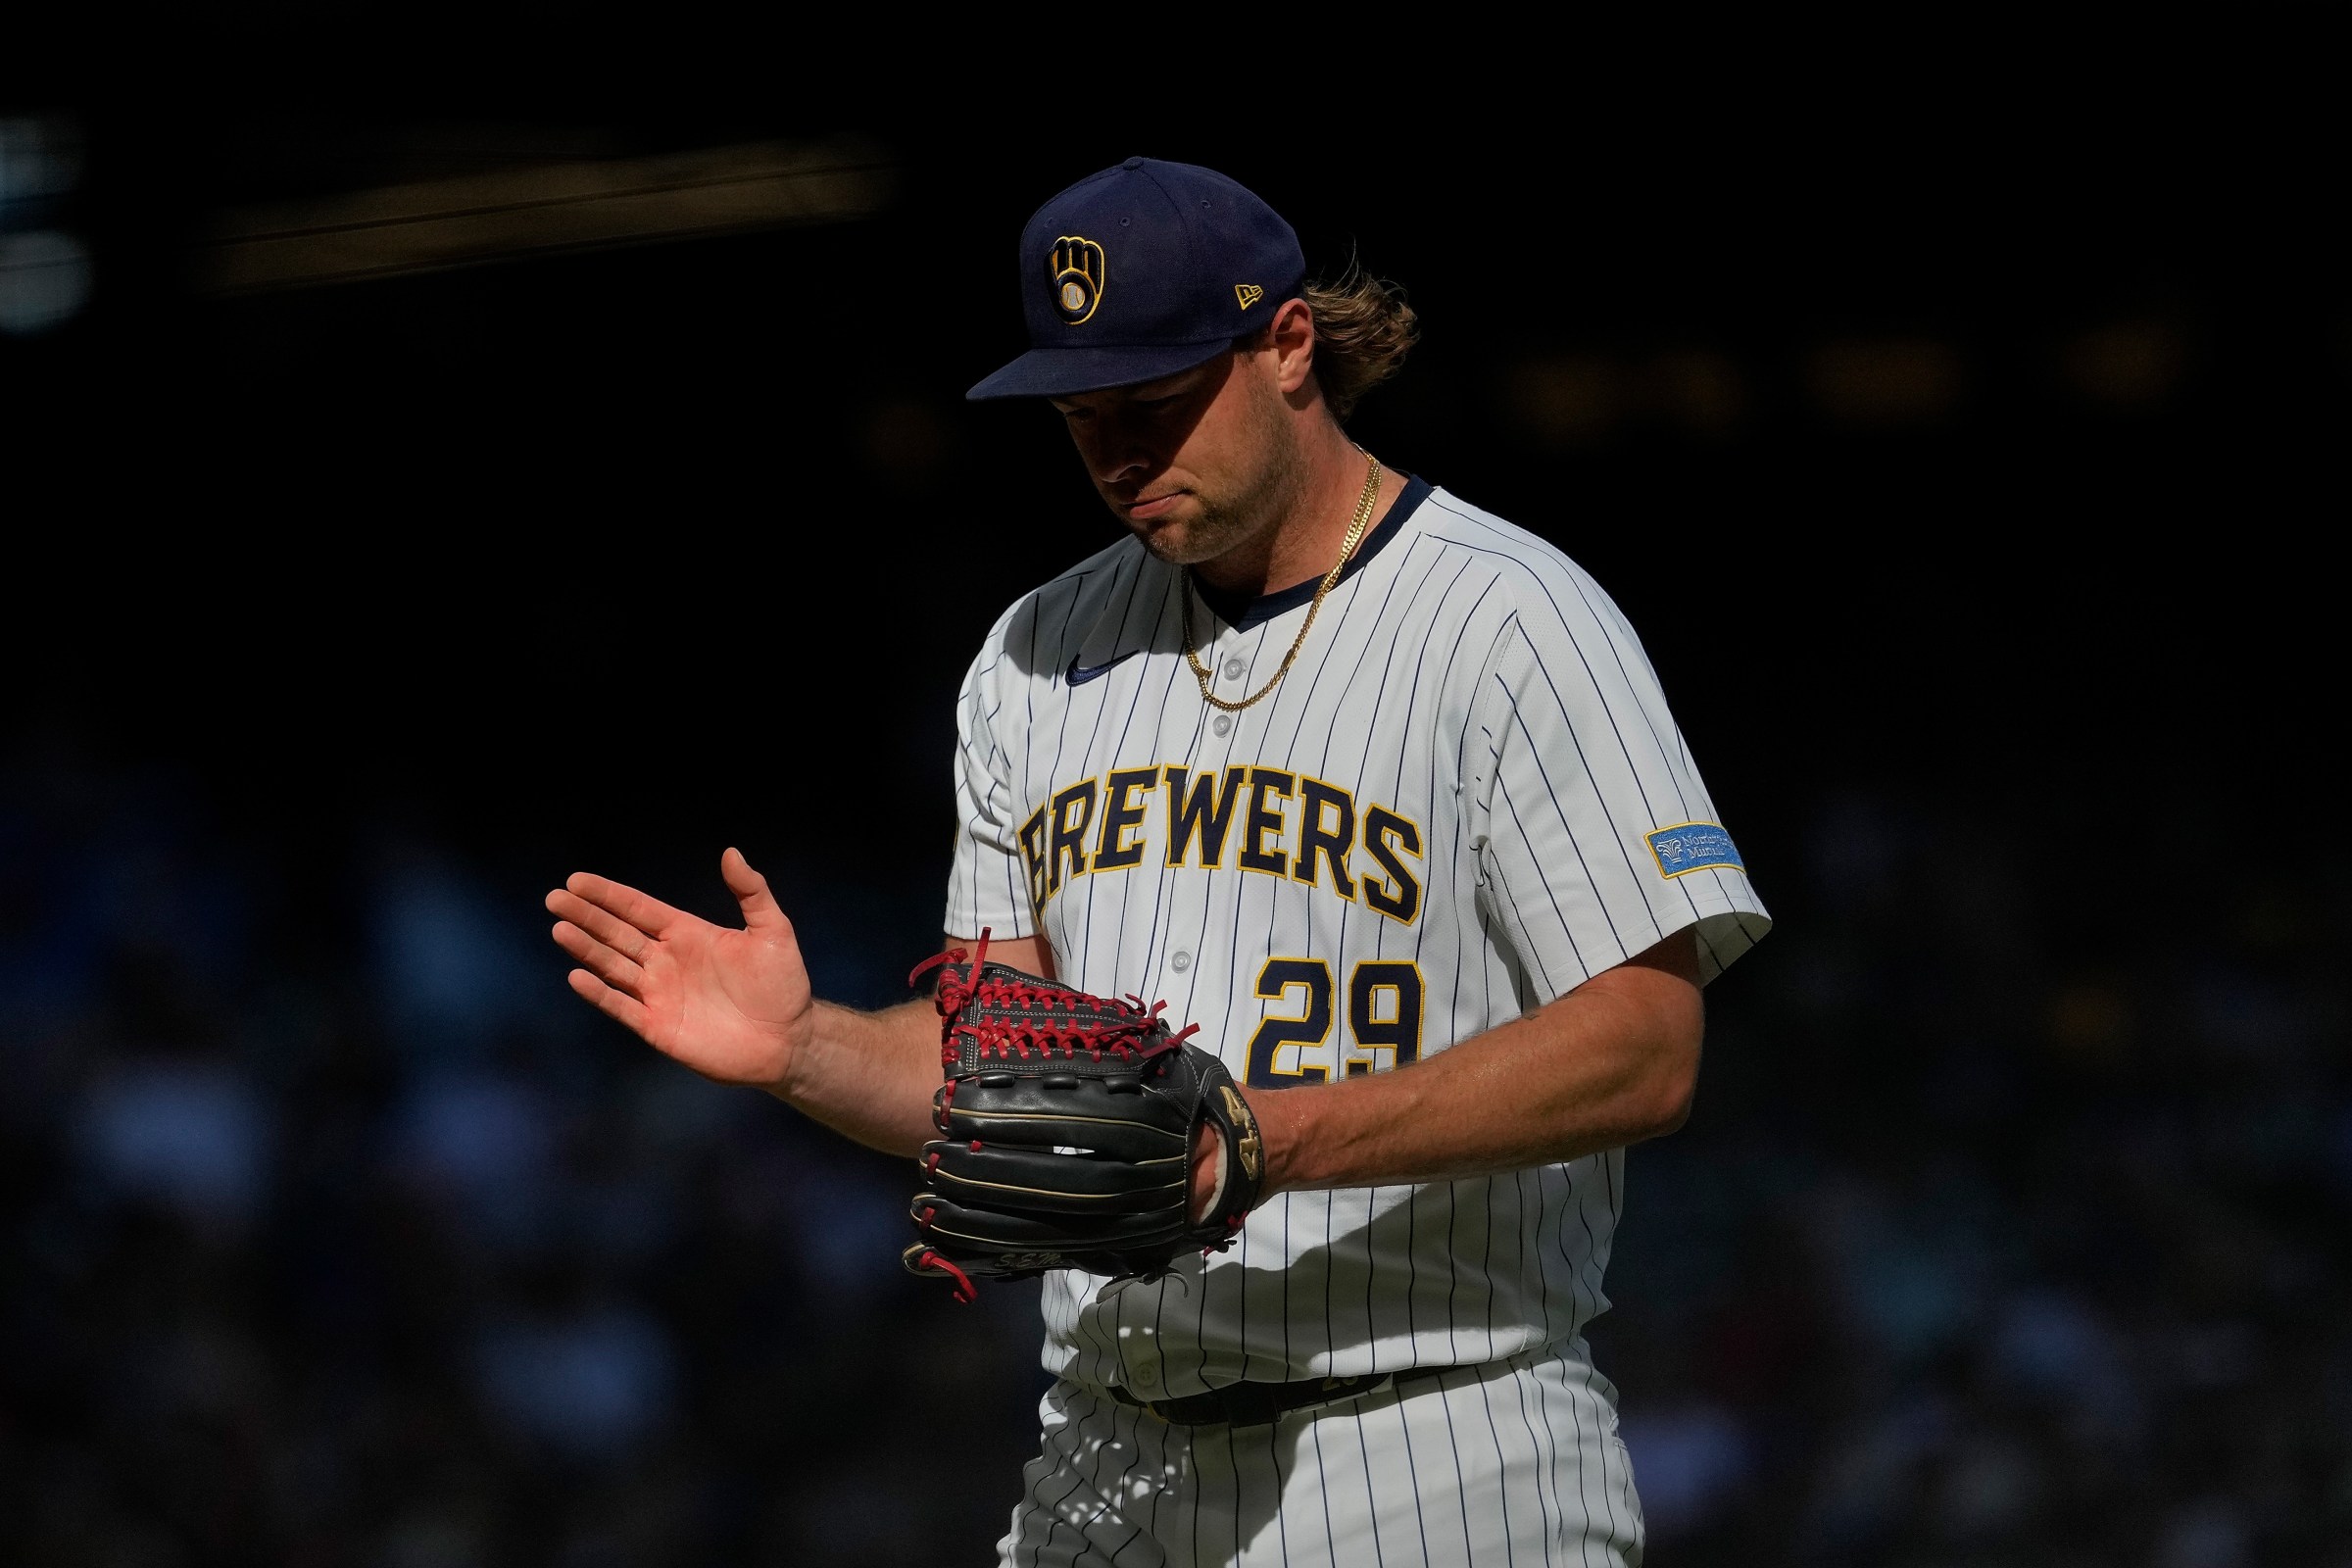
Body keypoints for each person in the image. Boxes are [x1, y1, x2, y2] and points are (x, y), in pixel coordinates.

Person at [547, 156, 1770, 1566]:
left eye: (1156, 401)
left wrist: (1260, 1142)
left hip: (1434, 1450)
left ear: (1289, 344)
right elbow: (1010, 1081)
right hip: (1106, 1456)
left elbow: (1646, 1049)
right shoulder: (1032, 656)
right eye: (1083, 417)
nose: (1121, 452)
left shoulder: (1513, 622)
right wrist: (805, 1048)